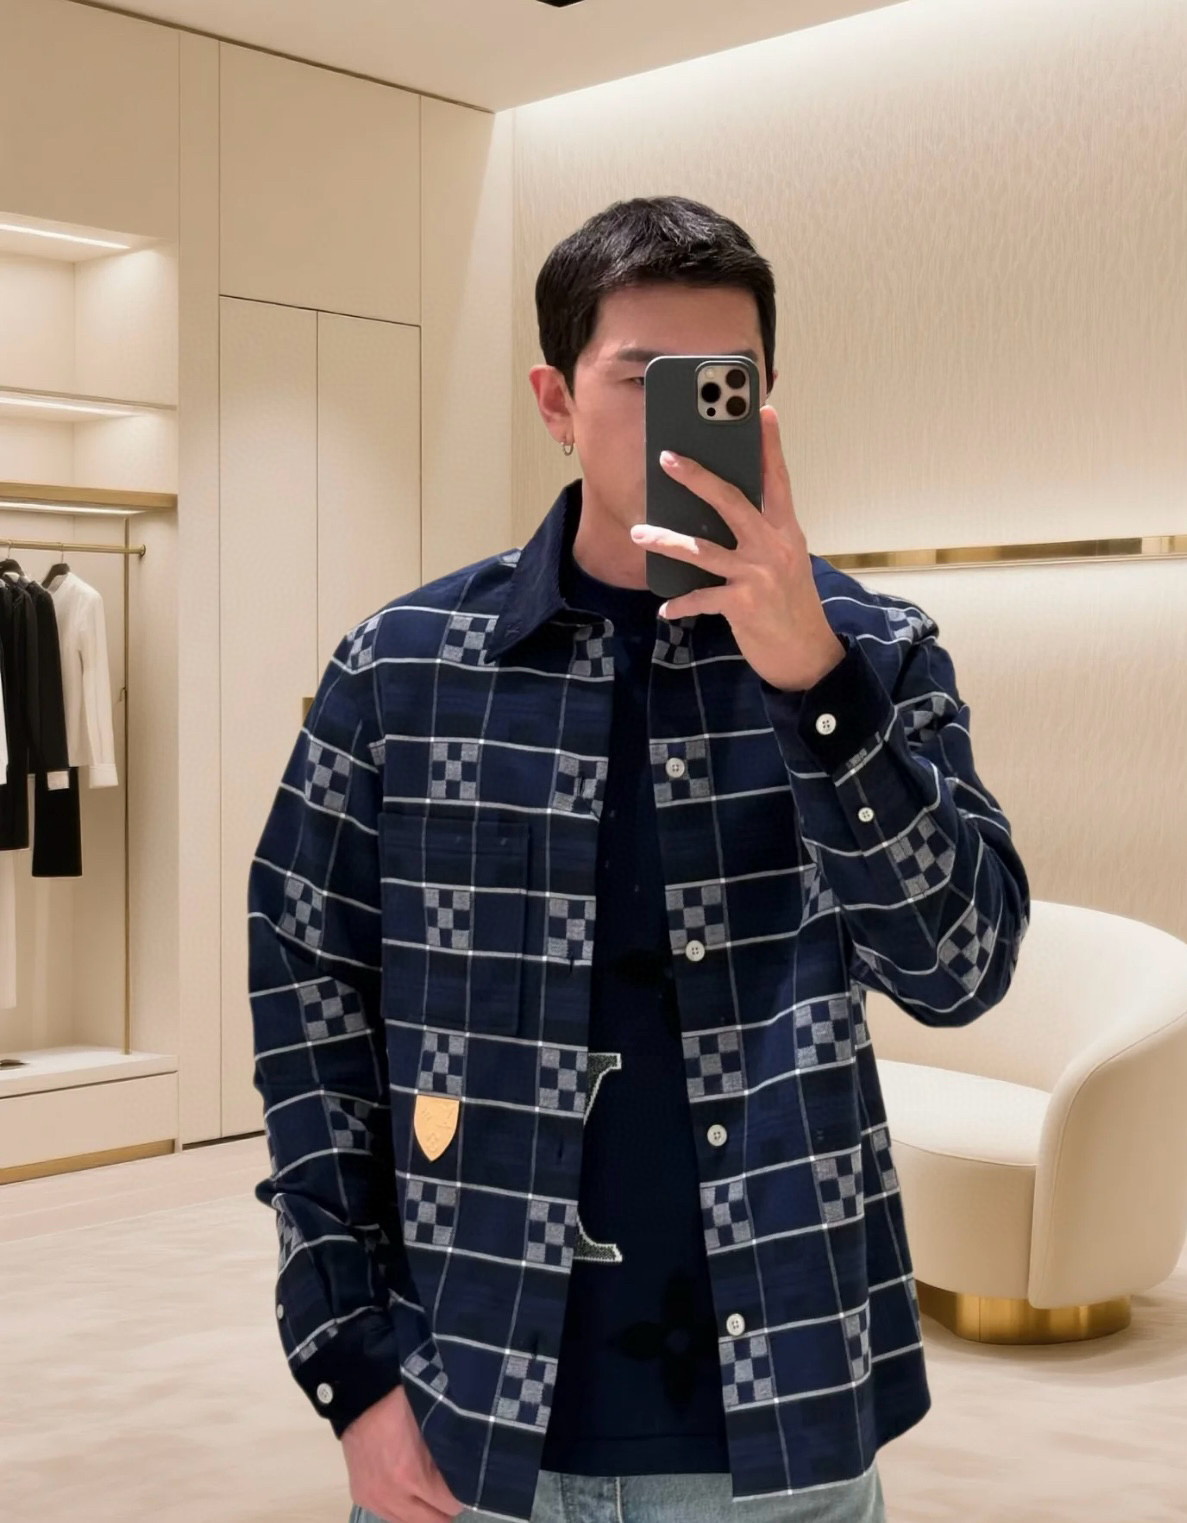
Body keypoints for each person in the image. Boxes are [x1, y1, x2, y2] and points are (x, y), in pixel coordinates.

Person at [247, 195, 1031, 1523]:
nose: (686, 420)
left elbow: (961, 969)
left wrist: (813, 686)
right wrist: (349, 1362)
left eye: (724, 383)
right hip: (465, 1404)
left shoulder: (873, 651)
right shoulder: (406, 668)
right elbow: (308, 1006)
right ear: (555, 400)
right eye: (642, 378)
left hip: (780, 1413)